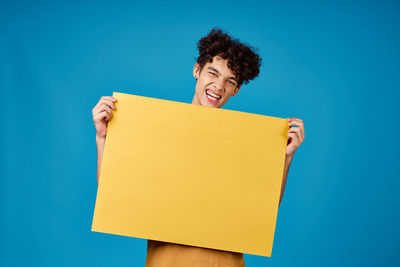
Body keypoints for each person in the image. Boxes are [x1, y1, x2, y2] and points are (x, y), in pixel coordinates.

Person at [92, 28, 305, 267]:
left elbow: (262, 213)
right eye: (212, 73)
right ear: (197, 70)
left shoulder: (245, 143)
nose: (218, 86)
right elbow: (114, 197)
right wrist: (102, 139)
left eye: (230, 81)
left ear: (236, 90)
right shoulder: (157, 129)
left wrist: (285, 159)